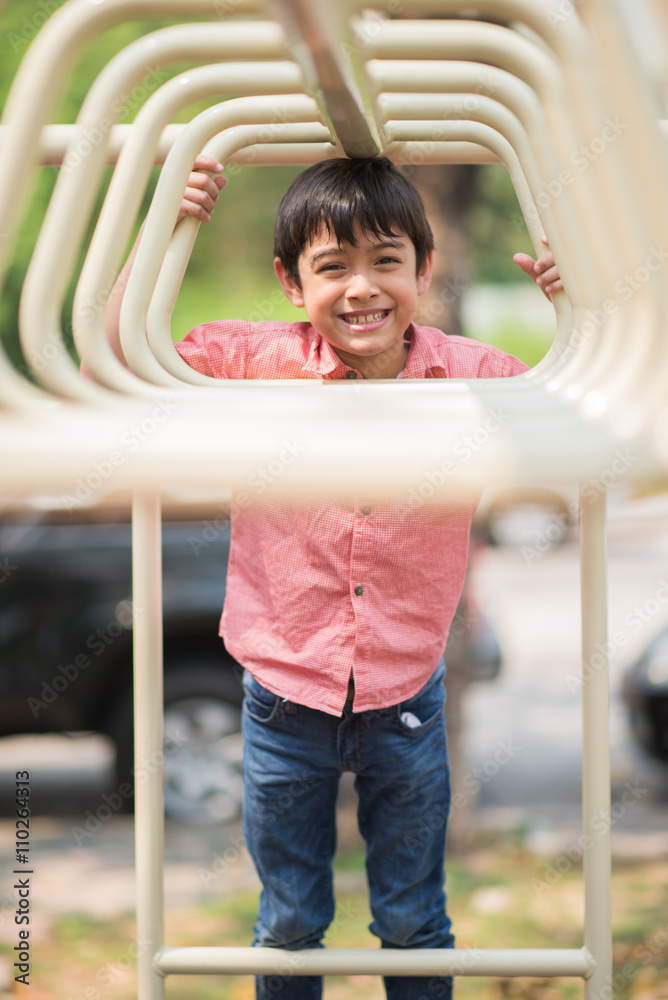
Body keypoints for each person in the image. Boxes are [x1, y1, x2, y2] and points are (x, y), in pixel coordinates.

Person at [104, 154, 561, 1000]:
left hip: (407, 695)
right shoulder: (261, 364)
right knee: (288, 919)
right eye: (332, 266)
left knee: (414, 918)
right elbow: (122, 357)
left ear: (425, 269)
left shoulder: (467, 373)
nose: (362, 288)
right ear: (290, 282)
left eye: (386, 260)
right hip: (283, 693)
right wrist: (170, 223)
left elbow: (586, 397)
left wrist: (581, 304)